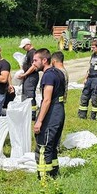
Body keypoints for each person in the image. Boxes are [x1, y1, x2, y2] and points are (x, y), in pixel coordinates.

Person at [34, 49, 67, 183]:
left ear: (44, 60)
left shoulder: (48, 76)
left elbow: (47, 100)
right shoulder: (58, 72)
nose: (33, 63)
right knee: (52, 146)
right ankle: (54, 174)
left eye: (35, 60)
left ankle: (43, 178)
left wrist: (39, 121)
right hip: (59, 110)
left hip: (52, 112)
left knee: (43, 146)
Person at [19, 38, 40, 105]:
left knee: (29, 94)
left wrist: (25, 74)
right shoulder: (29, 53)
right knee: (25, 93)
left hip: (31, 76)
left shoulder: (32, 53)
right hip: (28, 76)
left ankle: (32, 109)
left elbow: (33, 66)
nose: (23, 48)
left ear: (28, 45)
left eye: (24, 47)